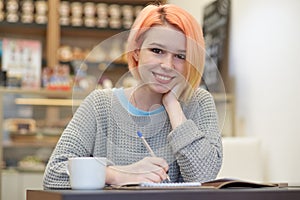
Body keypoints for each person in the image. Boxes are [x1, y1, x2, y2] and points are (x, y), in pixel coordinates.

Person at [43, 4, 223, 189]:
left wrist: (172, 105)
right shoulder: (100, 104)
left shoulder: (199, 102)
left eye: (180, 56)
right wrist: (115, 175)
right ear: (136, 51)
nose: (168, 65)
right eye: (157, 51)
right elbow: (54, 174)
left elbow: (205, 177)